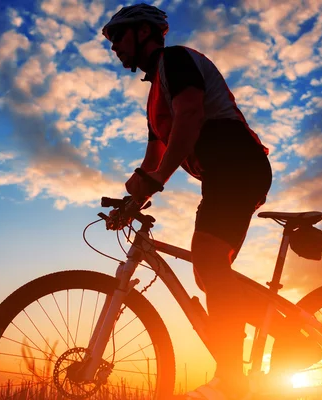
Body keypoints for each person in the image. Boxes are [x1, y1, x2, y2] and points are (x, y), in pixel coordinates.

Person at [103, 3, 272, 399]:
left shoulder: (174, 60)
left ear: (144, 32)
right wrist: (130, 195)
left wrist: (157, 179)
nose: (114, 48)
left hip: (238, 164)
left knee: (209, 261)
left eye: (118, 38)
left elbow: (191, 116)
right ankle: (284, 335)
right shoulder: (155, 96)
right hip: (222, 174)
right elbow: (153, 158)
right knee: (208, 270)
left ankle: (232, 376)